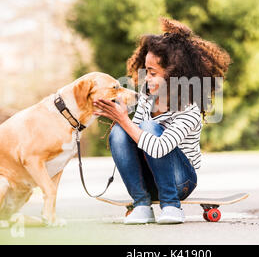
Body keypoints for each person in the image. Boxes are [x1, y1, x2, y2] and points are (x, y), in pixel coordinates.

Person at [93, 18, 231, 224]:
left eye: (152, 73)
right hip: (149, 178)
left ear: (174, 74)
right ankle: (141, 204)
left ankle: (172, 206)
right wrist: (117, 116)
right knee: (119, 133)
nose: (146, 78)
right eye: (146, 71)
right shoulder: (148, 96)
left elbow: (159, 148)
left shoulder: (189, 109)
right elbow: (133, 134)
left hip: (180, 181)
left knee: (148, 127)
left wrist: (124, 120)